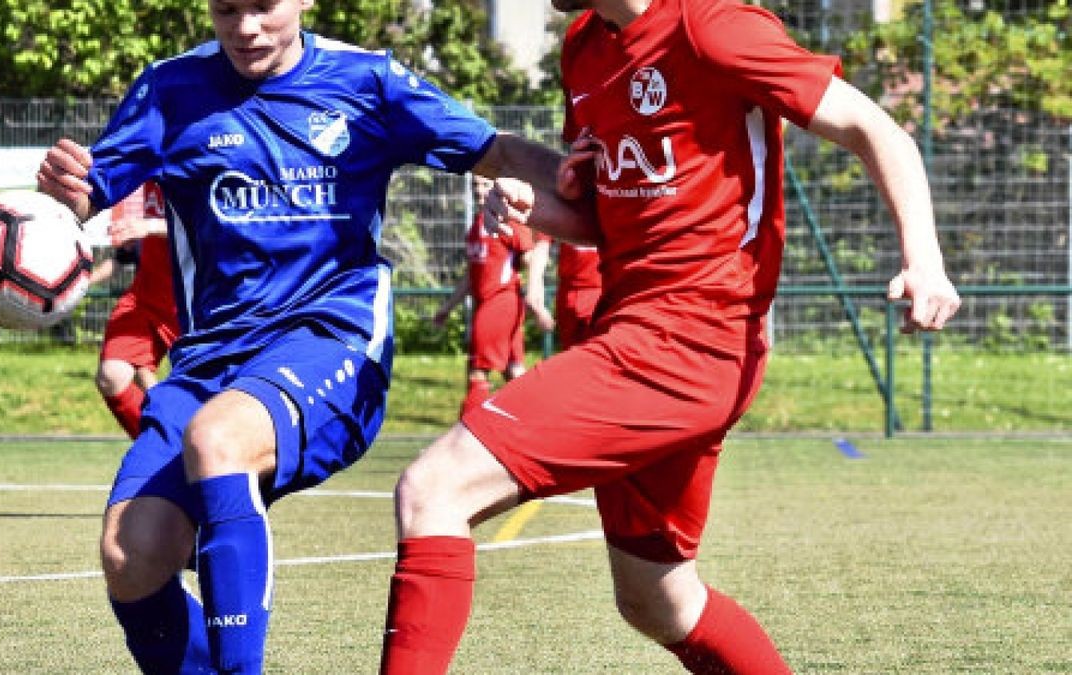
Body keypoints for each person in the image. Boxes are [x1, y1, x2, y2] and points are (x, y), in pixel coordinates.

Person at [378, 0, 962, 672]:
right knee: (658, 599)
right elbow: (609, 219)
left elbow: (875, 126)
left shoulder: (712, 26)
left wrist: (923, 260)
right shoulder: (585, 48)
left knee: (435, 488)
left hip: (692, 340)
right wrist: (539, 206)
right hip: (640, 333)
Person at [35, 0, 564, 672]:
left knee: (218, 438)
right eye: (227, 8)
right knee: (130, 556)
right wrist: (67, 189)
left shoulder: (368, 81)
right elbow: (89, 192)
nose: (245, 27)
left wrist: (595, 193)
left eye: (263, 6)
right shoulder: (169, 89)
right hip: (207, 364)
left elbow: (497, 149)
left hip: (333, 340)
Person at [432, 175, 554, 418]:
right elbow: (471, 276)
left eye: (485, 185)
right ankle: (536, 423)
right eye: (475, 185)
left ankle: (466, 437)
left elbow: (530, 257)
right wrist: (448, 307)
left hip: (499, 302)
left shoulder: (507, 224)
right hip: (490, 304)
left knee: (477, 372)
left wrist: (536, 299)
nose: (479, 190)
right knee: (513, 371)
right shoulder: (477, 226)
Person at [89, 181, 179, 439]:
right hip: (144, 300)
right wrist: (82, 282)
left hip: (190, 307)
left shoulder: (200, 162)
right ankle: (162, 451)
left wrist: (150, 226)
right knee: (112, 376)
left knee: (200, 404)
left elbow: (210, 226)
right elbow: (118, 260)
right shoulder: (151, 168)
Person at [529, 233, 601, 351]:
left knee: (601, 356)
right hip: (568, 294)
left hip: (601, 291)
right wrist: (534, 288)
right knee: (572, 355)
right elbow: (542, 245)